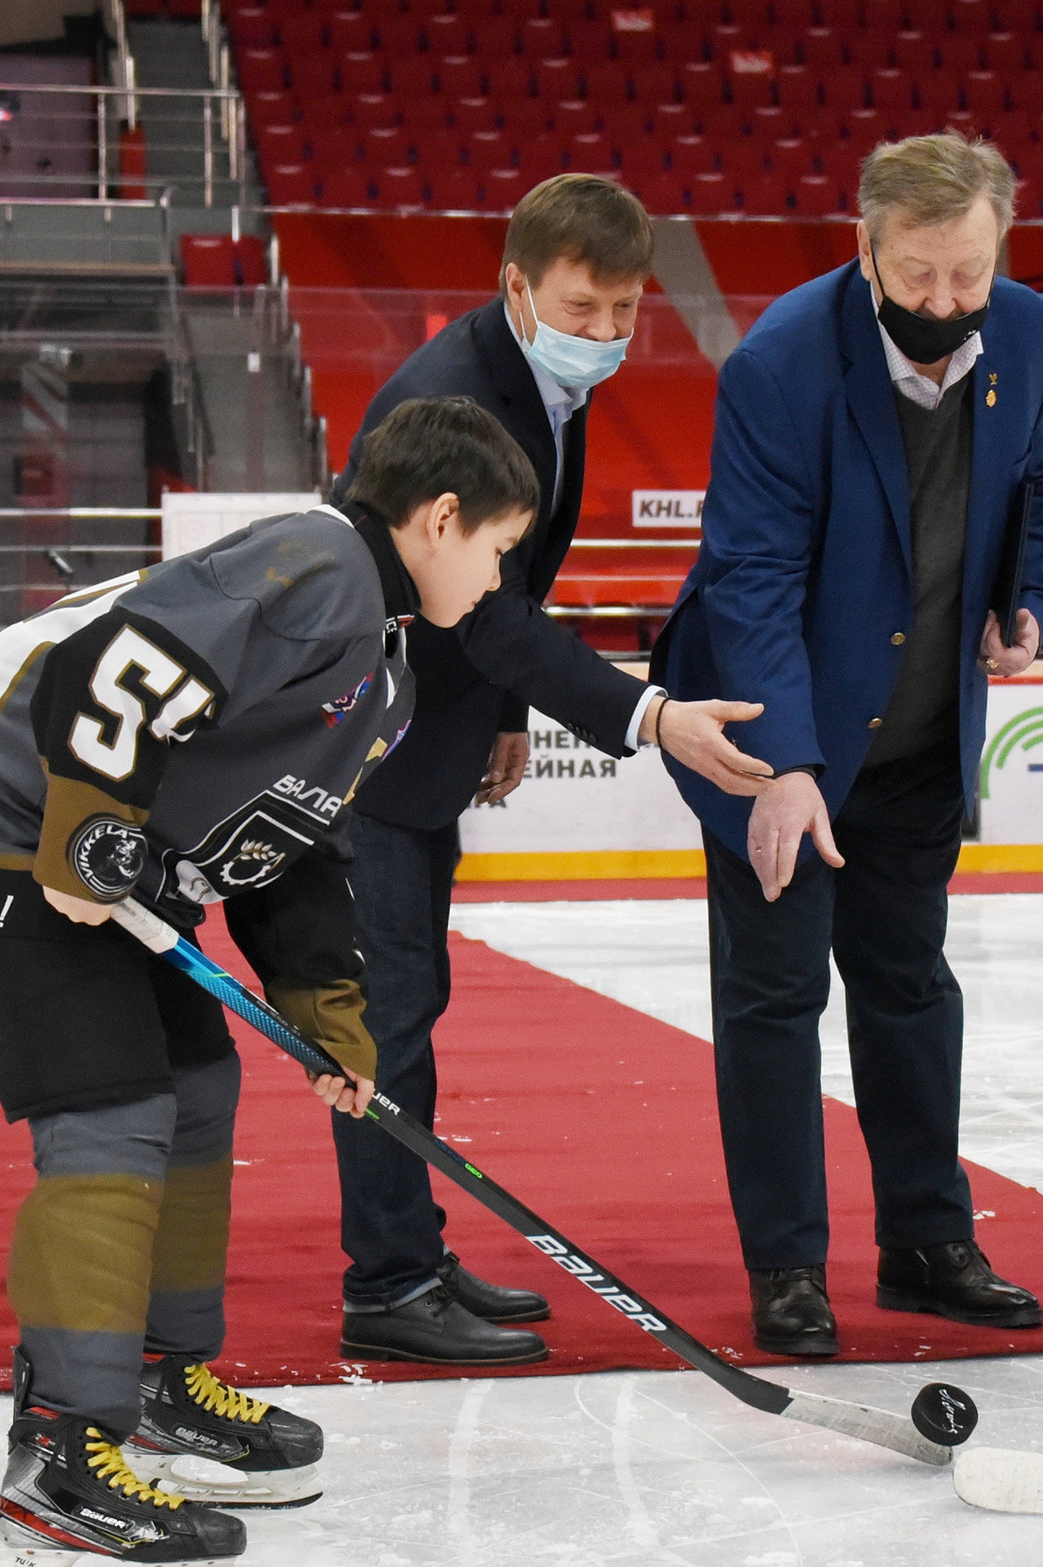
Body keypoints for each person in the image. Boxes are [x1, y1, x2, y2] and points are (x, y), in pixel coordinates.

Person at [0, 397, 532, 1567]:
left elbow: (286, 842)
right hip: (13, 833)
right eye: (498, 547)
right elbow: (120, 667)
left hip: (111, 858)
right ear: (442, 518)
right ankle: (60, 1466)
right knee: (111, 1113)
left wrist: (328, 1014)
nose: (498, 576)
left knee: (196, 1087)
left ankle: (153, 1385)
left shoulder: (381, 661)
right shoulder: (318, 560)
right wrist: (82, 828)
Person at [322, 173, 773, 1366]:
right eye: (581, 310)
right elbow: (489, 613)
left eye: (625, 311)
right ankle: (387, 1282)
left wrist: (507, 712)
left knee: (410, 1007)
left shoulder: (534, 381)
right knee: (385, 1018)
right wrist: (650, 716)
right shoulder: (456, 399)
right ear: (514, 286)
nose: (606, 334)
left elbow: (505, 578)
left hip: (427, 733)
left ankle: (410, 1251)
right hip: (363, 748)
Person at [651, 132, 1043, 1358]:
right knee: (776, 999)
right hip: (779, 740)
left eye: (968, 275)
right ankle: (787, 1267)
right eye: (918, 274)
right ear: (865, 247)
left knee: (909, 988)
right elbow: (751, 577)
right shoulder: (781, 362)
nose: (943, 302)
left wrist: (1027, 596)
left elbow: (1035, 487)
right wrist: (786, 766)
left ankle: (928, 1244)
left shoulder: (1032, 331)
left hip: (922, 736)